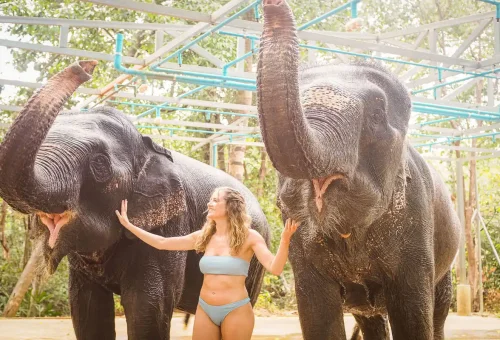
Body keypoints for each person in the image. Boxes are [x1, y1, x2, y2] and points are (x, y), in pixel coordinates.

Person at [115, 186, 299, 340]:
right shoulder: (204, 236)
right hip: (205, 308)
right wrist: (130, 226)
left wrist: (285, 241)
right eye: (211, 200)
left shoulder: (250, 237)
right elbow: (162, 243)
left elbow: (275, 268)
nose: (209, 204)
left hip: (235, 310)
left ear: (230, 206)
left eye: (215, 200)